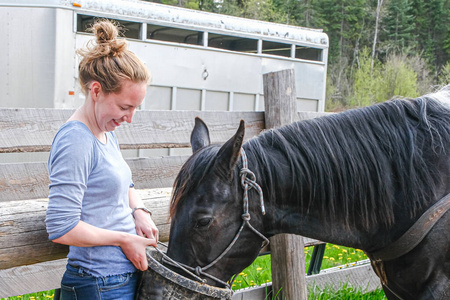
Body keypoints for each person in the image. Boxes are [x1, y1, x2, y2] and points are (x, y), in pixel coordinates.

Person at [45, 19, 158, 300]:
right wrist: (124, 239)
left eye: (136, 108)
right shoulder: (76, 140)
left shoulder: (105, 131)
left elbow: (123, 182)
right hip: (98, 284)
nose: (129, 118)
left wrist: (139, 211)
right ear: (96, 91)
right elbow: (62, 226)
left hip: (117, 280)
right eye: (124, 106)